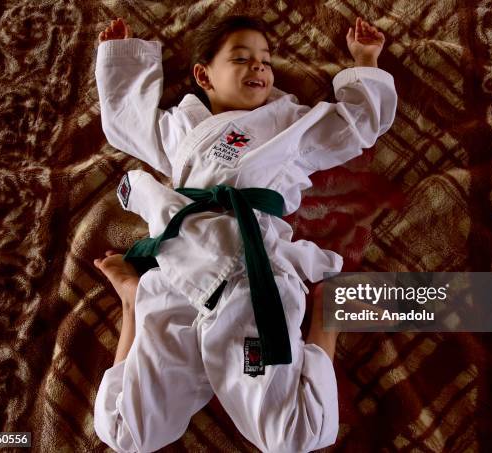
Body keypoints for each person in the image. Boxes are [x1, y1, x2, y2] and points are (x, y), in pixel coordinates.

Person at [92, 14, 396, 453]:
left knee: (293, 437)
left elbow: (353, 127)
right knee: (125, 434)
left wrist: (366, 62)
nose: (259, 68)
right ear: (203, 75)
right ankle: (131, 302)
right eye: (242, 58)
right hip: (177, 273)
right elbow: (126, 124)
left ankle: (325, 314)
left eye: (266, 61)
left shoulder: (287, 122)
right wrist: (123, 60)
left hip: (247, 276)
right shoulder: (181, 127)